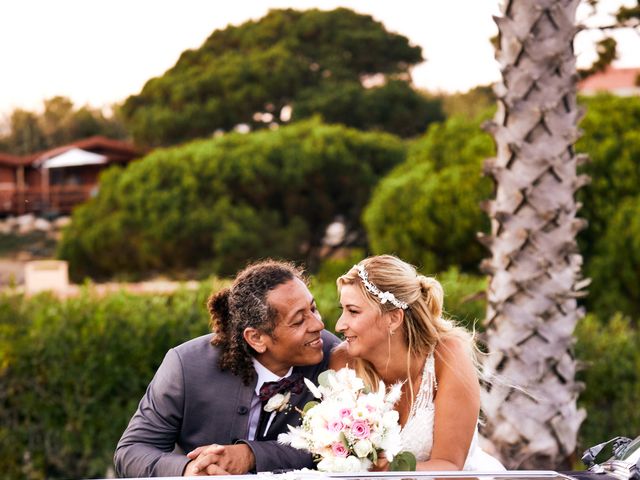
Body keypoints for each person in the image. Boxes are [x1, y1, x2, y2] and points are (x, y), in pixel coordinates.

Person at [114, 260, 340, 477]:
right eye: (299, 320)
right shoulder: (186, 366)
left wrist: (251, 456)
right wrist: (188, 470)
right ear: (256, 338)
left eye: (313, 308)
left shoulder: (334, 357)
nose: (318, 324)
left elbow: (344, 446)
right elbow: (132, 451)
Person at [330, 254, 504, 471]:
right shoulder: (342, 362)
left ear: (393, 318)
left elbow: (449, 466)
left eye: (353, 311)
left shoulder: (447, 355)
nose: (339, 325)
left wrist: (385, 470)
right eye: (342, 310)